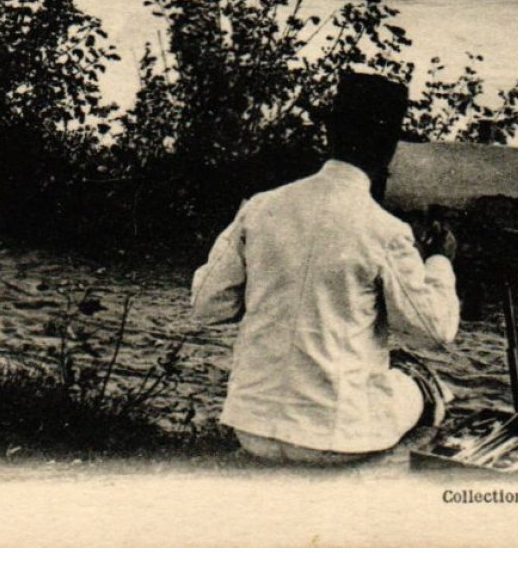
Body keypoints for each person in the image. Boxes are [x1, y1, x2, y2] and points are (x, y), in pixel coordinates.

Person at [191, 71, 460, 464]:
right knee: (419, 382)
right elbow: (436, 331)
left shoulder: (260, 207)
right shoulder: (385, 229)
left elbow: (206, 305)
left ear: (330, 137)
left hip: (252, 428)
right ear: (388, 150)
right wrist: (439, 260)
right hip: (338, 438)